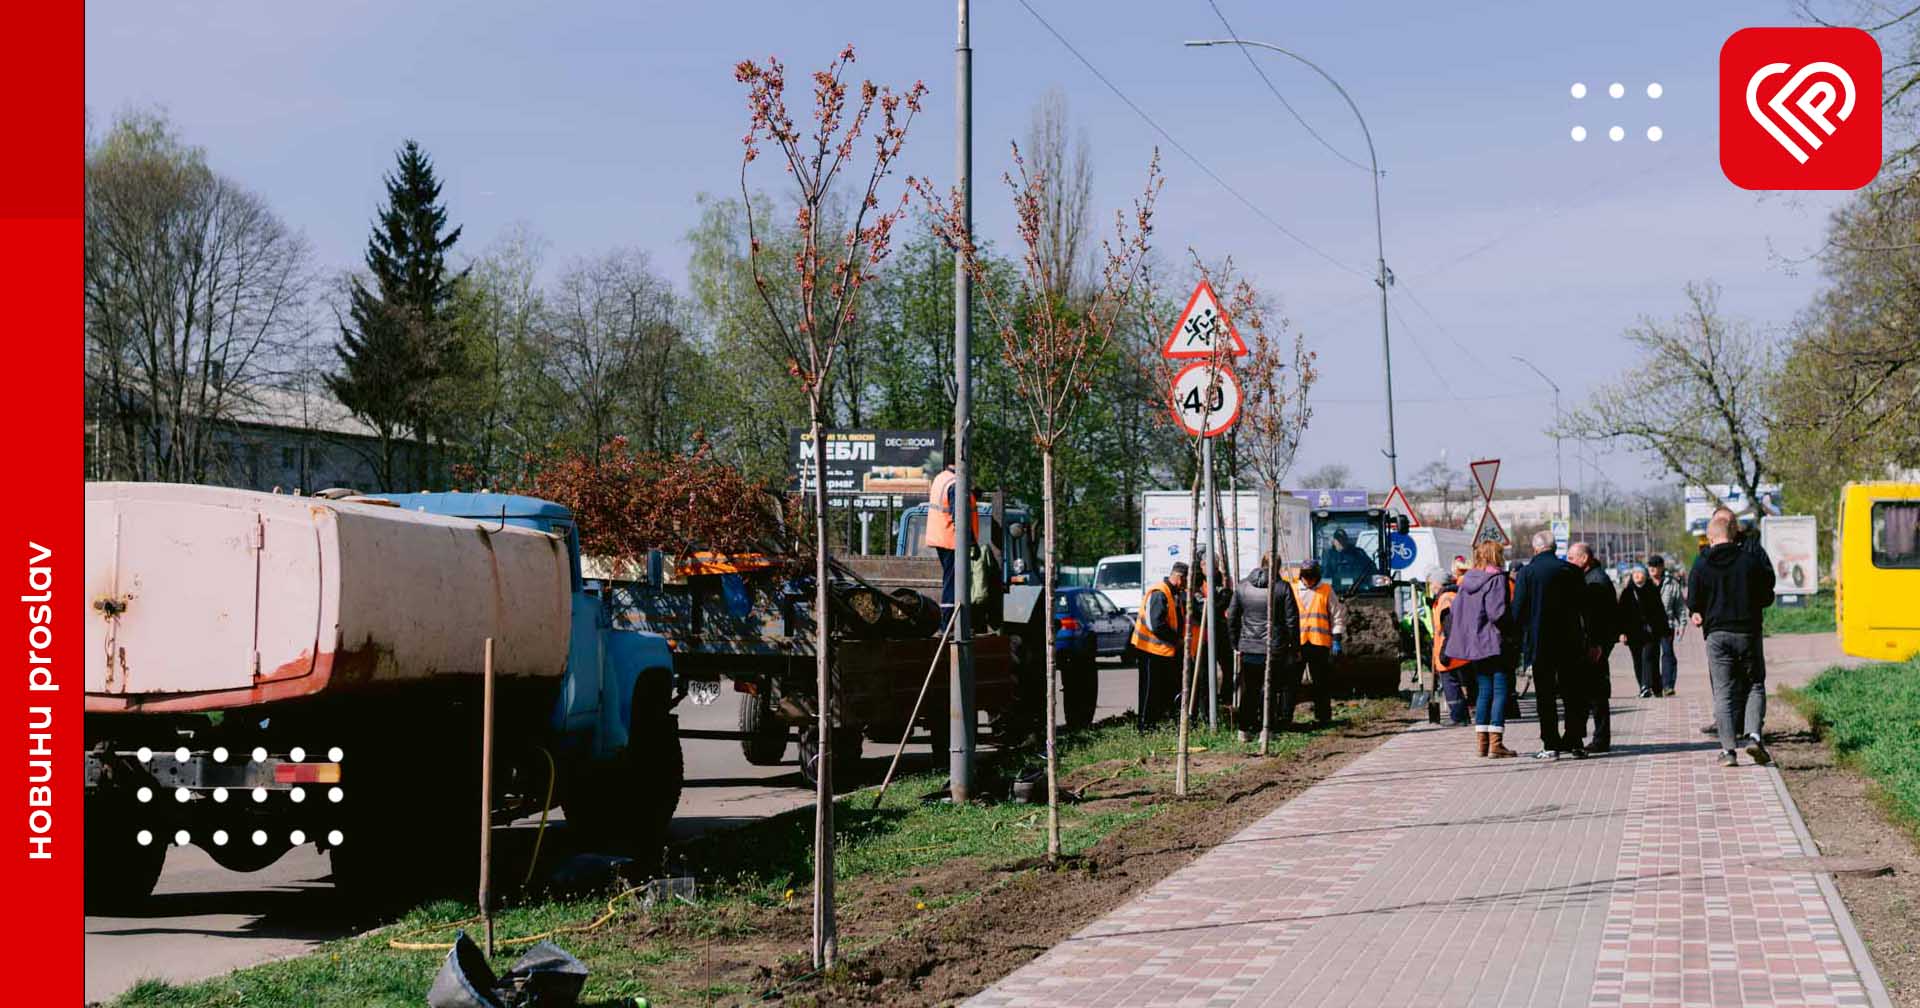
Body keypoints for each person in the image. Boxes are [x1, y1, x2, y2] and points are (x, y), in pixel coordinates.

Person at [1688, 512, 1776, 766]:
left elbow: (1694, 601)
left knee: (1723, 693)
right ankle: (1754, 737)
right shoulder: (1749, 560)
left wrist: (1698, 612)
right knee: (1754, 685)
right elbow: (1766, 595)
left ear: (1710, 537)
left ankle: (1728, 751)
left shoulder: (1702, 564)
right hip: (1748, 632)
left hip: (1717, 635)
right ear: (1733, 534)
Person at [1513, 529, 1590, 760]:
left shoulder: (1527, 573)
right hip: (1570, 641)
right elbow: (1584, 607)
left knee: (1545, 696)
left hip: (1540, 643)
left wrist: (1517, 636)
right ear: (1555, 548)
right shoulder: (1572, 571)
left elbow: (1518, 610)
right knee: (1572, 693)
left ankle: (1550, 744)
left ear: (1535, 549)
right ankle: (1575, 741)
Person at [1444, 540, 1518, 758]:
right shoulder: (1496, 579)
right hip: (1494, 643)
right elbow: (1497, 613)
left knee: (1484, 691)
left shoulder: (1466, 581)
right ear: (1497, 556)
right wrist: (1512, 628)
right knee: (1501, 690)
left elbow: (1457, 612)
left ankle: (1482, 744)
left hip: (1474, 644)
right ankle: (1496, 743)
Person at [1226, 554, 1301, 742]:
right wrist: (1294, 646)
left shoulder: (1243, 587)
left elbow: (1232, 618)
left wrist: (1236, 642)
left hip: (1249, 647)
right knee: (1270, 689)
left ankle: (1244, 729)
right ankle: (1266, 730)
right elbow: (1292, 621)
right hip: (1274, 648)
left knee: (1249, 689)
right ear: (1279, 566)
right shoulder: (1282, 588)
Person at [1568, 543, 1618, 752]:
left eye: (1572, 558)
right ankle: (1595, 737)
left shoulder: (1596, 581)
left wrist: (1597, 645)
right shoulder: (1590, 577)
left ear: (1584, 558)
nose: (1569, 562)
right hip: (1594, 644)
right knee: (1592, 692)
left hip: (1595, 646)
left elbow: (1598, 619)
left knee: (1597, 694)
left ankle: (1600, 738)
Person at [1285, 559, 1343, 729]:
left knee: (1321, 683)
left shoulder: (1326, 591)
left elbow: (1337, 615)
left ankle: (1324, 717)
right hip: (1297, 644)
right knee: (1292, 683)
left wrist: (1337, 639)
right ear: (1301, 576)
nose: (1309, 581)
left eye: (1312, 577)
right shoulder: (1293, 589)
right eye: (1306, 577)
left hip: (1319, 644)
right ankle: (1285, 717)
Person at [1131, 562, 1187, 732]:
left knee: (1159, 690)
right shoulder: (1159, 593)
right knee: (1149, 691)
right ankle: (1145, 727)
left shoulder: (1173, 593)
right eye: (1186, 581)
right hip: (1149, 650)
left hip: (1162, 651)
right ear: (1179, 578)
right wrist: (1175, 640)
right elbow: (1156, 624)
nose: (1186, 586)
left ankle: (1153, 724)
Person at [923, 457, 978, 612]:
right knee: (953, 582)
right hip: (952, 540)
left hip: (941, 537)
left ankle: (949, 620)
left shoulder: (942, 478)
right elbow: (959, 516)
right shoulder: (955, 483)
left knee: (951, 579)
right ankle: (948, 621)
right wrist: (972, 542)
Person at [1428, 558, 1474, 726]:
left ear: (1438, 583)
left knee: (1451, 685)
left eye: (1431, 583)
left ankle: (1459, 716)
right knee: (1457, 684)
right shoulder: (1453, 595)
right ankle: (1463, 715)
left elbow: (1450, 627)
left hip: (1451, 652)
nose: (1430, 586)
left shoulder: (1446, 599)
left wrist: (1444, 652)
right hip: (1458, 650)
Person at [1616, 564, 1668, 698]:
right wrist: (1621, 632)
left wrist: (1663, 630)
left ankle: (1647, 686)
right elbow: (1621, 614)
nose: (1637, 576)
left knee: (1648, 657)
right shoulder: (1627, 592)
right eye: (1635, 574)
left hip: (1651, 633)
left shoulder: (1652, 590)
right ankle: (1644, 686)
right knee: (1637, 660)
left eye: (1640, 573)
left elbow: (1660, 612)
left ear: (1645, 575)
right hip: (1633, 633)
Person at [1647, 554, 1686, 696]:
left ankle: (1668, 685)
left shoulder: (1672, 584)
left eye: (1655, 565)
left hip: (1667, 624)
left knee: (1668, 653)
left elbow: (1680, 606)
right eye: (1650, 565)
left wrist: (1682, 625)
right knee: (1651, 655)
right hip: (1648, 627)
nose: (1652, 568)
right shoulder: (1643, 582)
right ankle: (1653, 685)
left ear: (1662, 567)